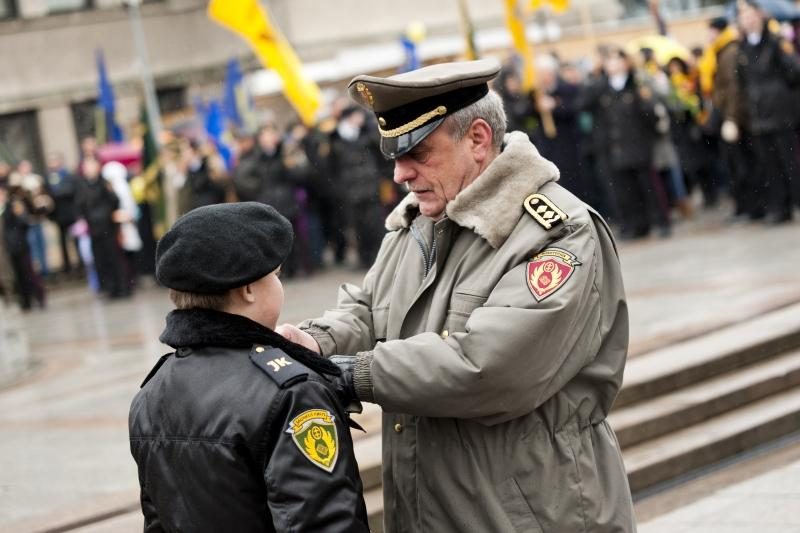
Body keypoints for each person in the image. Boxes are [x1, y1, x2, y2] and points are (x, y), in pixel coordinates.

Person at [279, 59, 635, 532]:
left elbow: (490, 367)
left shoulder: (558, 232)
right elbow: (371, 309)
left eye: (418, 153)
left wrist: (353, 374)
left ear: (478, 139)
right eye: (395, 157)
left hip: (532, 514)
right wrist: (314, 342)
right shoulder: (421, 220)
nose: (401, 174)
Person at [129, 202, 369, 532]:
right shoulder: (293, 393)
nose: (279, 284)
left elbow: (157, 521)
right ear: (248, 290)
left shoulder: (152, 392)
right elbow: (326, 521)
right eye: (275, 276)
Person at [580, 48, 663, 239]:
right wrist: (597, 76)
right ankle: (635, 224)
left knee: (648, 186)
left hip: (638, 142)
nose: (613, 65)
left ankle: (659, 221)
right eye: (609, 61)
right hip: (614, 146)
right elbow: (584, 103)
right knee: (625, 191)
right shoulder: (602, 87)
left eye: (617, 60)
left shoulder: (636, 82)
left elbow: (650, 113)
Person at [737, 0, 800, 223]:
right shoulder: (742, 48)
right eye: (743, 16)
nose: (748, 19)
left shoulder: (775, 42)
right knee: (769, 165)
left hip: (781, 113)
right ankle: (779, 207)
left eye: (751, 14)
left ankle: (795, 203)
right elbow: (742, 83)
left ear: (760, 16)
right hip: (758, 116)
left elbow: (794, 73)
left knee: (790, 162)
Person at [74, 157, 128, 299]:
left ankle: (122, 287)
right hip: (93, 229)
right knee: (101, 260)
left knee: (114, 258)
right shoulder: (82, 185)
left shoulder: (104, 183)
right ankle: (109, 288)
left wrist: (105, 215)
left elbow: (114, 200)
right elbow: (80, 205)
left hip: (107, 227)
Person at [45, 153, 81, 275]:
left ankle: (80, 264)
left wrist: (55, 193)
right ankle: (67, 266)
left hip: (71, 214)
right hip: (59, 215)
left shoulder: (68, 176)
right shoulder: (50, 177)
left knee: (76, 240)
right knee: (63, 242)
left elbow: (69, 191)